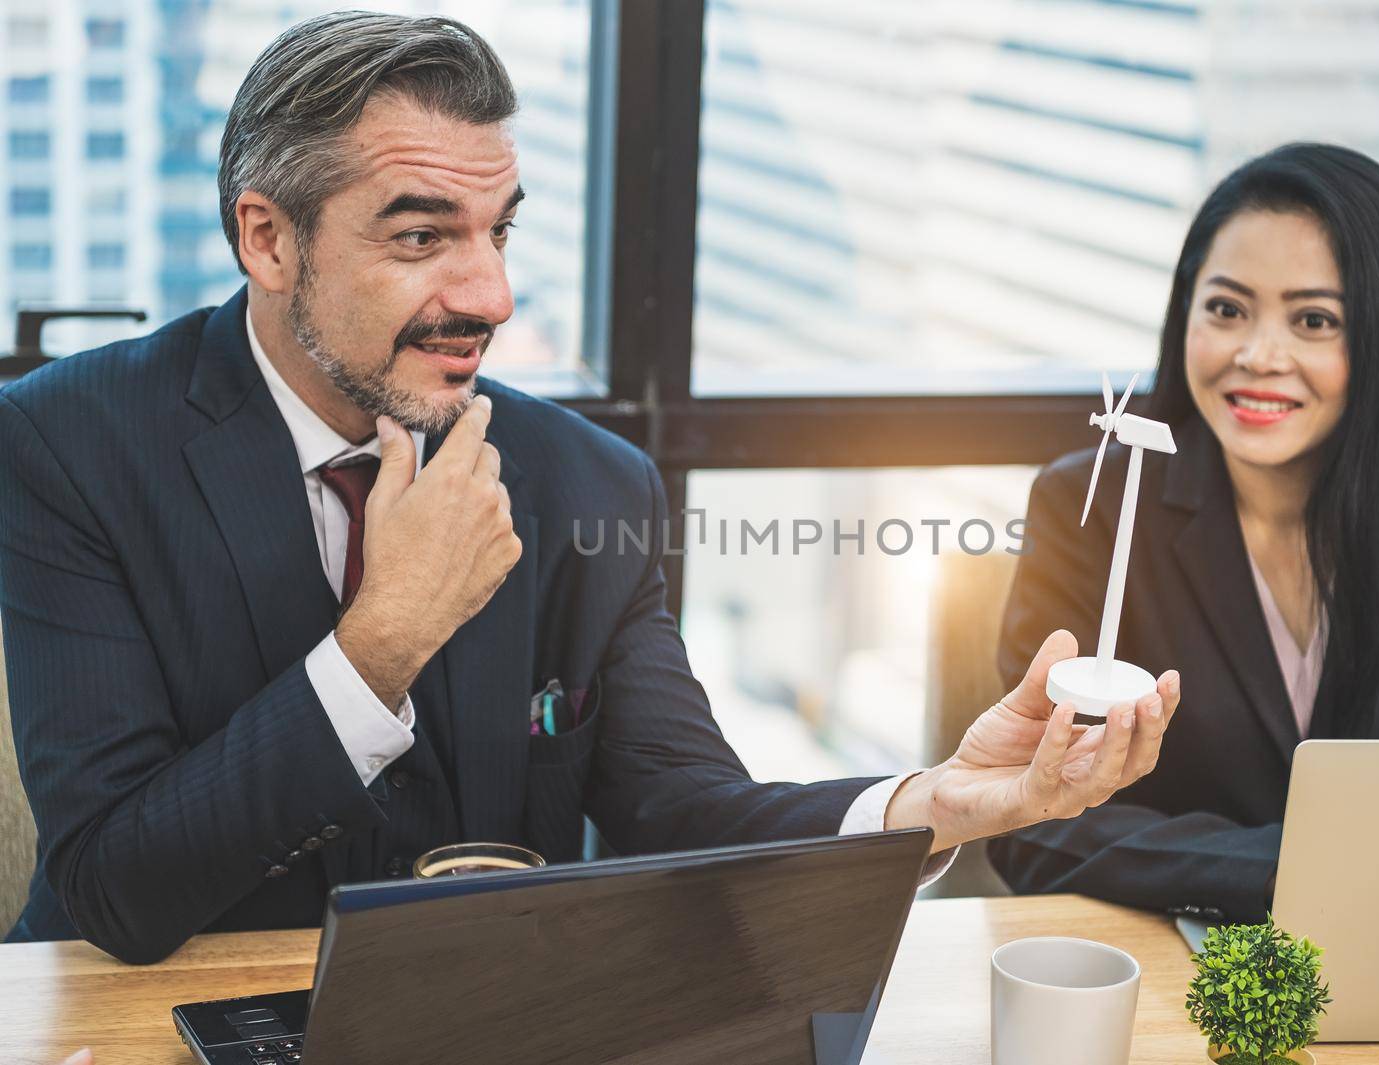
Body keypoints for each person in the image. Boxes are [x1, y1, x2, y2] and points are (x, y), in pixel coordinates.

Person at [0, 12, 1179, 965]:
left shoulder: (584, 483)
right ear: (267, 240)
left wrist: (940, 803)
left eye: (498, 232)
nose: (489, 297)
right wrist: (387, 639)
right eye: (421, 238)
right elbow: (117, 890)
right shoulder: (69, 445)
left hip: (490, 1022)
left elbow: (685, 817)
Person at [990, 143, 1379, 923]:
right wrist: (1302, 868)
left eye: (1314, 320)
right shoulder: (1092, 503)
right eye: (1226, 309)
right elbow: (1034, 827)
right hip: (1162, 959)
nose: (1258, 355)